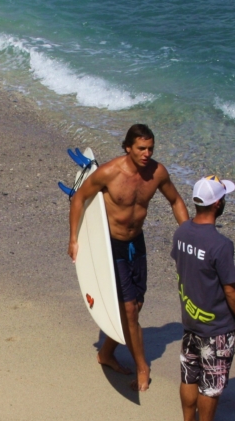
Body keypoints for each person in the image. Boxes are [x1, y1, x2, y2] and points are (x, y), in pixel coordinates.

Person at [68, 124, 189, 391]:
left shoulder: (157, 173)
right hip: (111, 245)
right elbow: (79, 199)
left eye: (150, 148)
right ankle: (142, 368)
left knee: (137, 304)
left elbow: (176, 201)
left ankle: (107, 352)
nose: (147, 154)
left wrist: (188, 234)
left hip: (136, 243)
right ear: (128, 147)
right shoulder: (110, 173)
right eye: (141, 148)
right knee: (130, 309)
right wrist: (75, 239)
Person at [171, 176, 235, 421]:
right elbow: (231, 289)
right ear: (218, 204)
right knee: (211, 383)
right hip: (215, 326)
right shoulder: (220, 244)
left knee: (189, 374)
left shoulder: (181, 233)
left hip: (190, 321)